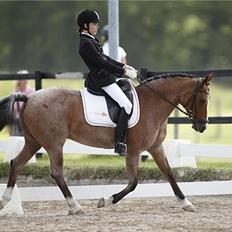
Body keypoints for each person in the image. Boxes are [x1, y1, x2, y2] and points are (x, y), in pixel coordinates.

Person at [77, 9, 137, 156]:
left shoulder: (90, 40)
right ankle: (119, 142)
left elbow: (106, 59)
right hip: (101, 80)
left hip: (104, 77)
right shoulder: (85, 43)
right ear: (85, 25)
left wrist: (123, 66)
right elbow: (102, 62)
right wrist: (122, 72)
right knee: (127, 105)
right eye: (94, 24)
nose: (97, 26)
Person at [10, 70, 34, 136]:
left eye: (22, 78)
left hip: (27, 122)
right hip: (16, 121)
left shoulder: (31, 92)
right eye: (19, 78)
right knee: (15, 140)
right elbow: (12, 109)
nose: (20, 80)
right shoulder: (14, 92)